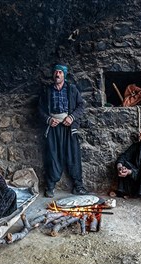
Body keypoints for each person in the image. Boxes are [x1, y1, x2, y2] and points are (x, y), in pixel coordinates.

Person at [38, 63, 88, 198]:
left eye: (60, 72)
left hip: (69, 127)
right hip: (53, 127)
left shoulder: (71, 89)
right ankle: (50, 186)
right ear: (53, 74)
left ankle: (78, 186)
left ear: (64, 75)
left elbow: (81, 105)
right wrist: (48, 119)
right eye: (55, 72)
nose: (57, 74)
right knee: (52, 155)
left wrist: (72, 117)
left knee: (73, 155)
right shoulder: (47, 91)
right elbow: (40, 109)